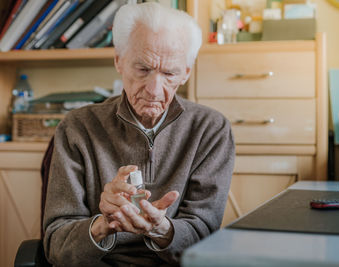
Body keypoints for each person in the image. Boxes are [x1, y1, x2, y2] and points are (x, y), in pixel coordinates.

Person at [43, 2, 235, 266]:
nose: (154, 90)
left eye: (169, 73)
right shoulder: (78, 127)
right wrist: (103, 225)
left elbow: (204, 237)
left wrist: (161, 229)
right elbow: (57, 244)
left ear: (186, 73)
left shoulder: (211, 130)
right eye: (143, 69)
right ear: (118, 60)